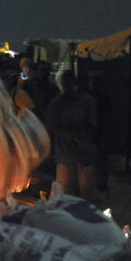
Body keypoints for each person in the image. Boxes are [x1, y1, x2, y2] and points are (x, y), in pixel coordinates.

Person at [46, 70, 99, 202]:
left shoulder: (87, 101)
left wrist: (81, 134)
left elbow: (93, 125)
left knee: (86, 191)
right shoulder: (56, 103)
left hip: (84, 154)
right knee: (66, 192)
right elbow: (52, 126)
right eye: (65, 82)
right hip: (65, 155)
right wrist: (69, 133)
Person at [88, 70, 113, 198]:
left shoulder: (103, 98)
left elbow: (106, 118)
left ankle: (102, 187)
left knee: (101, 162)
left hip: (100, 133)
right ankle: (96, 187)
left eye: (94, 81)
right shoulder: (89, 97)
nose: (92, 84)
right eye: (91, 81)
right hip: (92, 134)